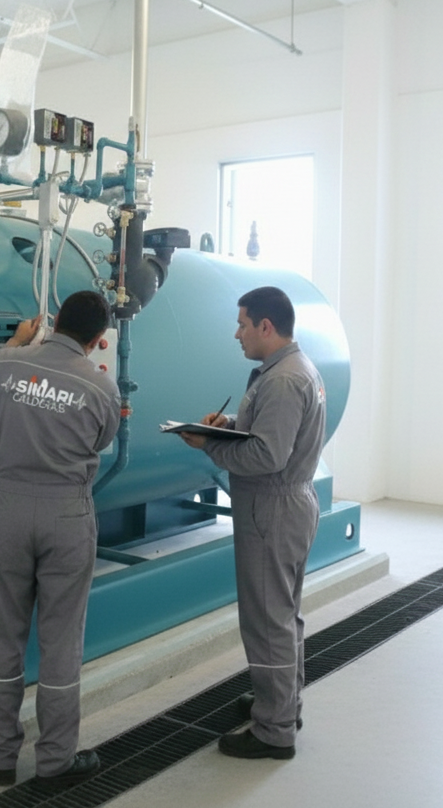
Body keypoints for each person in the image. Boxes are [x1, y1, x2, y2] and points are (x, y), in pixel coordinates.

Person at [0, 290, 121, 788]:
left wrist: (13, 342)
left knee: (3, 634)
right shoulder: (99, 387)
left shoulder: (8, 365)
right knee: (61, 640)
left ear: (55, 323)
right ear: (96, 341)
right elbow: (103, 440)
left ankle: (1, 758)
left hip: (7, 511)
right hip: (66, 514)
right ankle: (55, 763)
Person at [178, 286, 326, 760]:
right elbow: (268, 432)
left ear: (266, 326)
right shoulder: (292, 371)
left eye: (242, 324)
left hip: (272, 506)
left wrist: (209, 446)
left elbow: (266, 454)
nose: (236, 332)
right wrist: (228, 423)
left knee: (267, 621)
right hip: (287, 503)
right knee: (283, 614)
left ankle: (274, 729)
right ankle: (281, 699)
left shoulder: (283, 381)